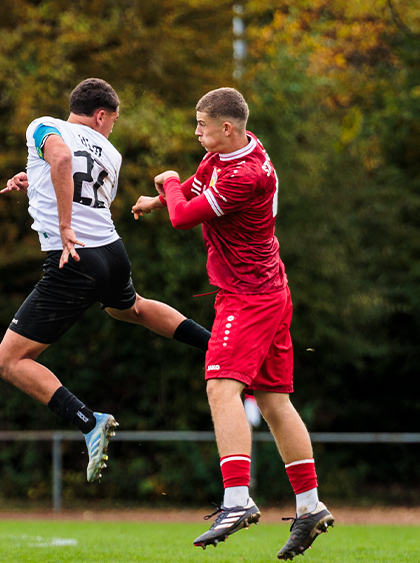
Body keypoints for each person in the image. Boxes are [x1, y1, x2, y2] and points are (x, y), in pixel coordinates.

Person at [132, 87, 333, 558]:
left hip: (249, 297)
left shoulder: (244, 175)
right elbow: (191, 197)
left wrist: (168, 183)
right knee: (274, 402)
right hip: (270, 289)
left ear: (226, 127)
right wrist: (161, 197)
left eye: (201, 124)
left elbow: (185, 217)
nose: (196, 132)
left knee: (221, 386)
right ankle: (310, 506)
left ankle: (237, 500)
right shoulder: (236, 151)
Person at [0, 78, 212, 483]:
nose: (112, 127)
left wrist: (62, 227)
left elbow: (61, 163)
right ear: (100, 115)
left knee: (9, 361)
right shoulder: (110, 152)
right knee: (133, 308)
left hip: (75, 258)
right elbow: (69, 176)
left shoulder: (44, 126)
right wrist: (31, 179)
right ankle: (215, 345)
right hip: (112, 253)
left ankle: (87, 419)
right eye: (112, 119)